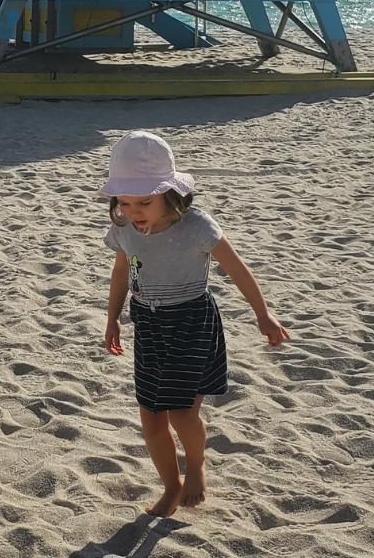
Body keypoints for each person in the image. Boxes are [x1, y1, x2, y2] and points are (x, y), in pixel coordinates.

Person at [101, 130, 289, 517]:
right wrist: (113, 318)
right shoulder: (124, 230)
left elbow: (236, 267)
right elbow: (122, 271)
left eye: (144, 201)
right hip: (148, 325)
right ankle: (171, 486)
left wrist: (263, 314)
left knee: (183, 414)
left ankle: (197, 467)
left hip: (191, 321)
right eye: (124, 201)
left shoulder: (196, 225)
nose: (134, 211)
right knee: (151, 417)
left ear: (170, 193)